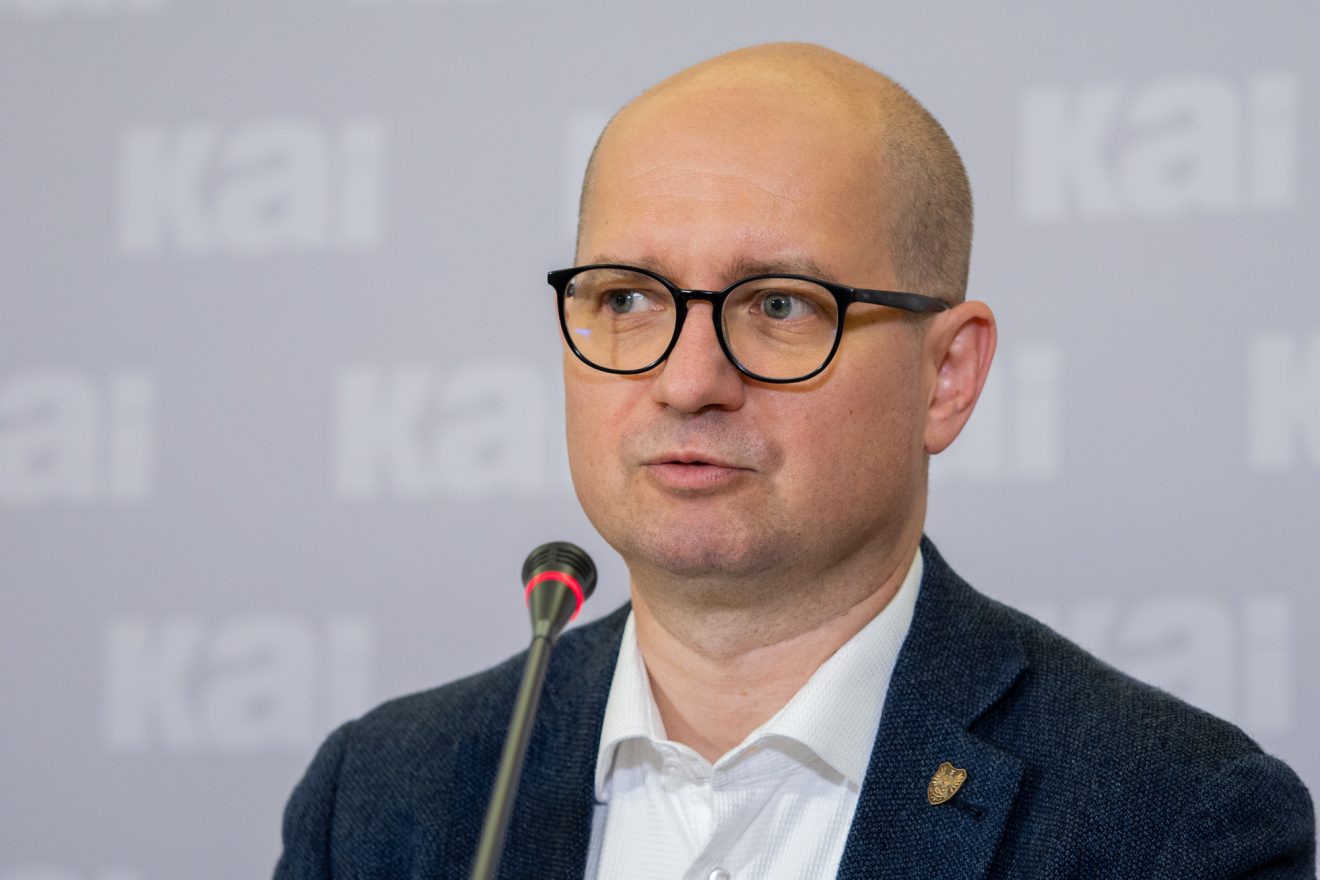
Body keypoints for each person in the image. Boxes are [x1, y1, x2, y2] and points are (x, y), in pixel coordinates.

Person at [275, 43, 1314, 879]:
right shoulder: (383, 798)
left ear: (946, 376)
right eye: (627, 298)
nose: (688, 380)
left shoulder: (1176, 824)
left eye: (779, 305)